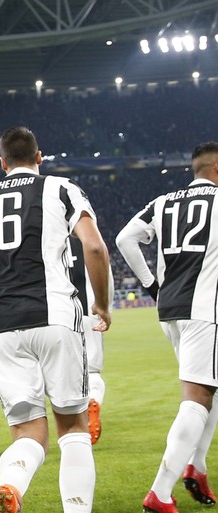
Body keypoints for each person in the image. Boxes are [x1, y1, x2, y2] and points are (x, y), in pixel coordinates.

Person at [0, 126, 111, 513]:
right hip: (54, 318)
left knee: (27, 432)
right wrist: (101, 305)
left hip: (0, 328)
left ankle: (12, 482)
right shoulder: (60, 188)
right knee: (72, 429)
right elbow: (94, 245)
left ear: (2, 163)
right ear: (40, 157)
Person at [116, 141, 218, 513]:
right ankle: (160, 492)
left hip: (170, 310)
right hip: (206, 311)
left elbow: (124, 238)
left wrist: (150, 285)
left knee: (210, 388)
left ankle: (197, 465)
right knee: (197, 400)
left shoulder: (163, 203)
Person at [68, 236, 114, 445]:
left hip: (55, 315)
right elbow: (104, 270)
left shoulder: (44, 232)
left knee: (64, 372)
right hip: (88, 311)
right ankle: (93, 398)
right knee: (92, 371)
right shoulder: (87, 238)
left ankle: (72, 420)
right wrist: (105, 307)